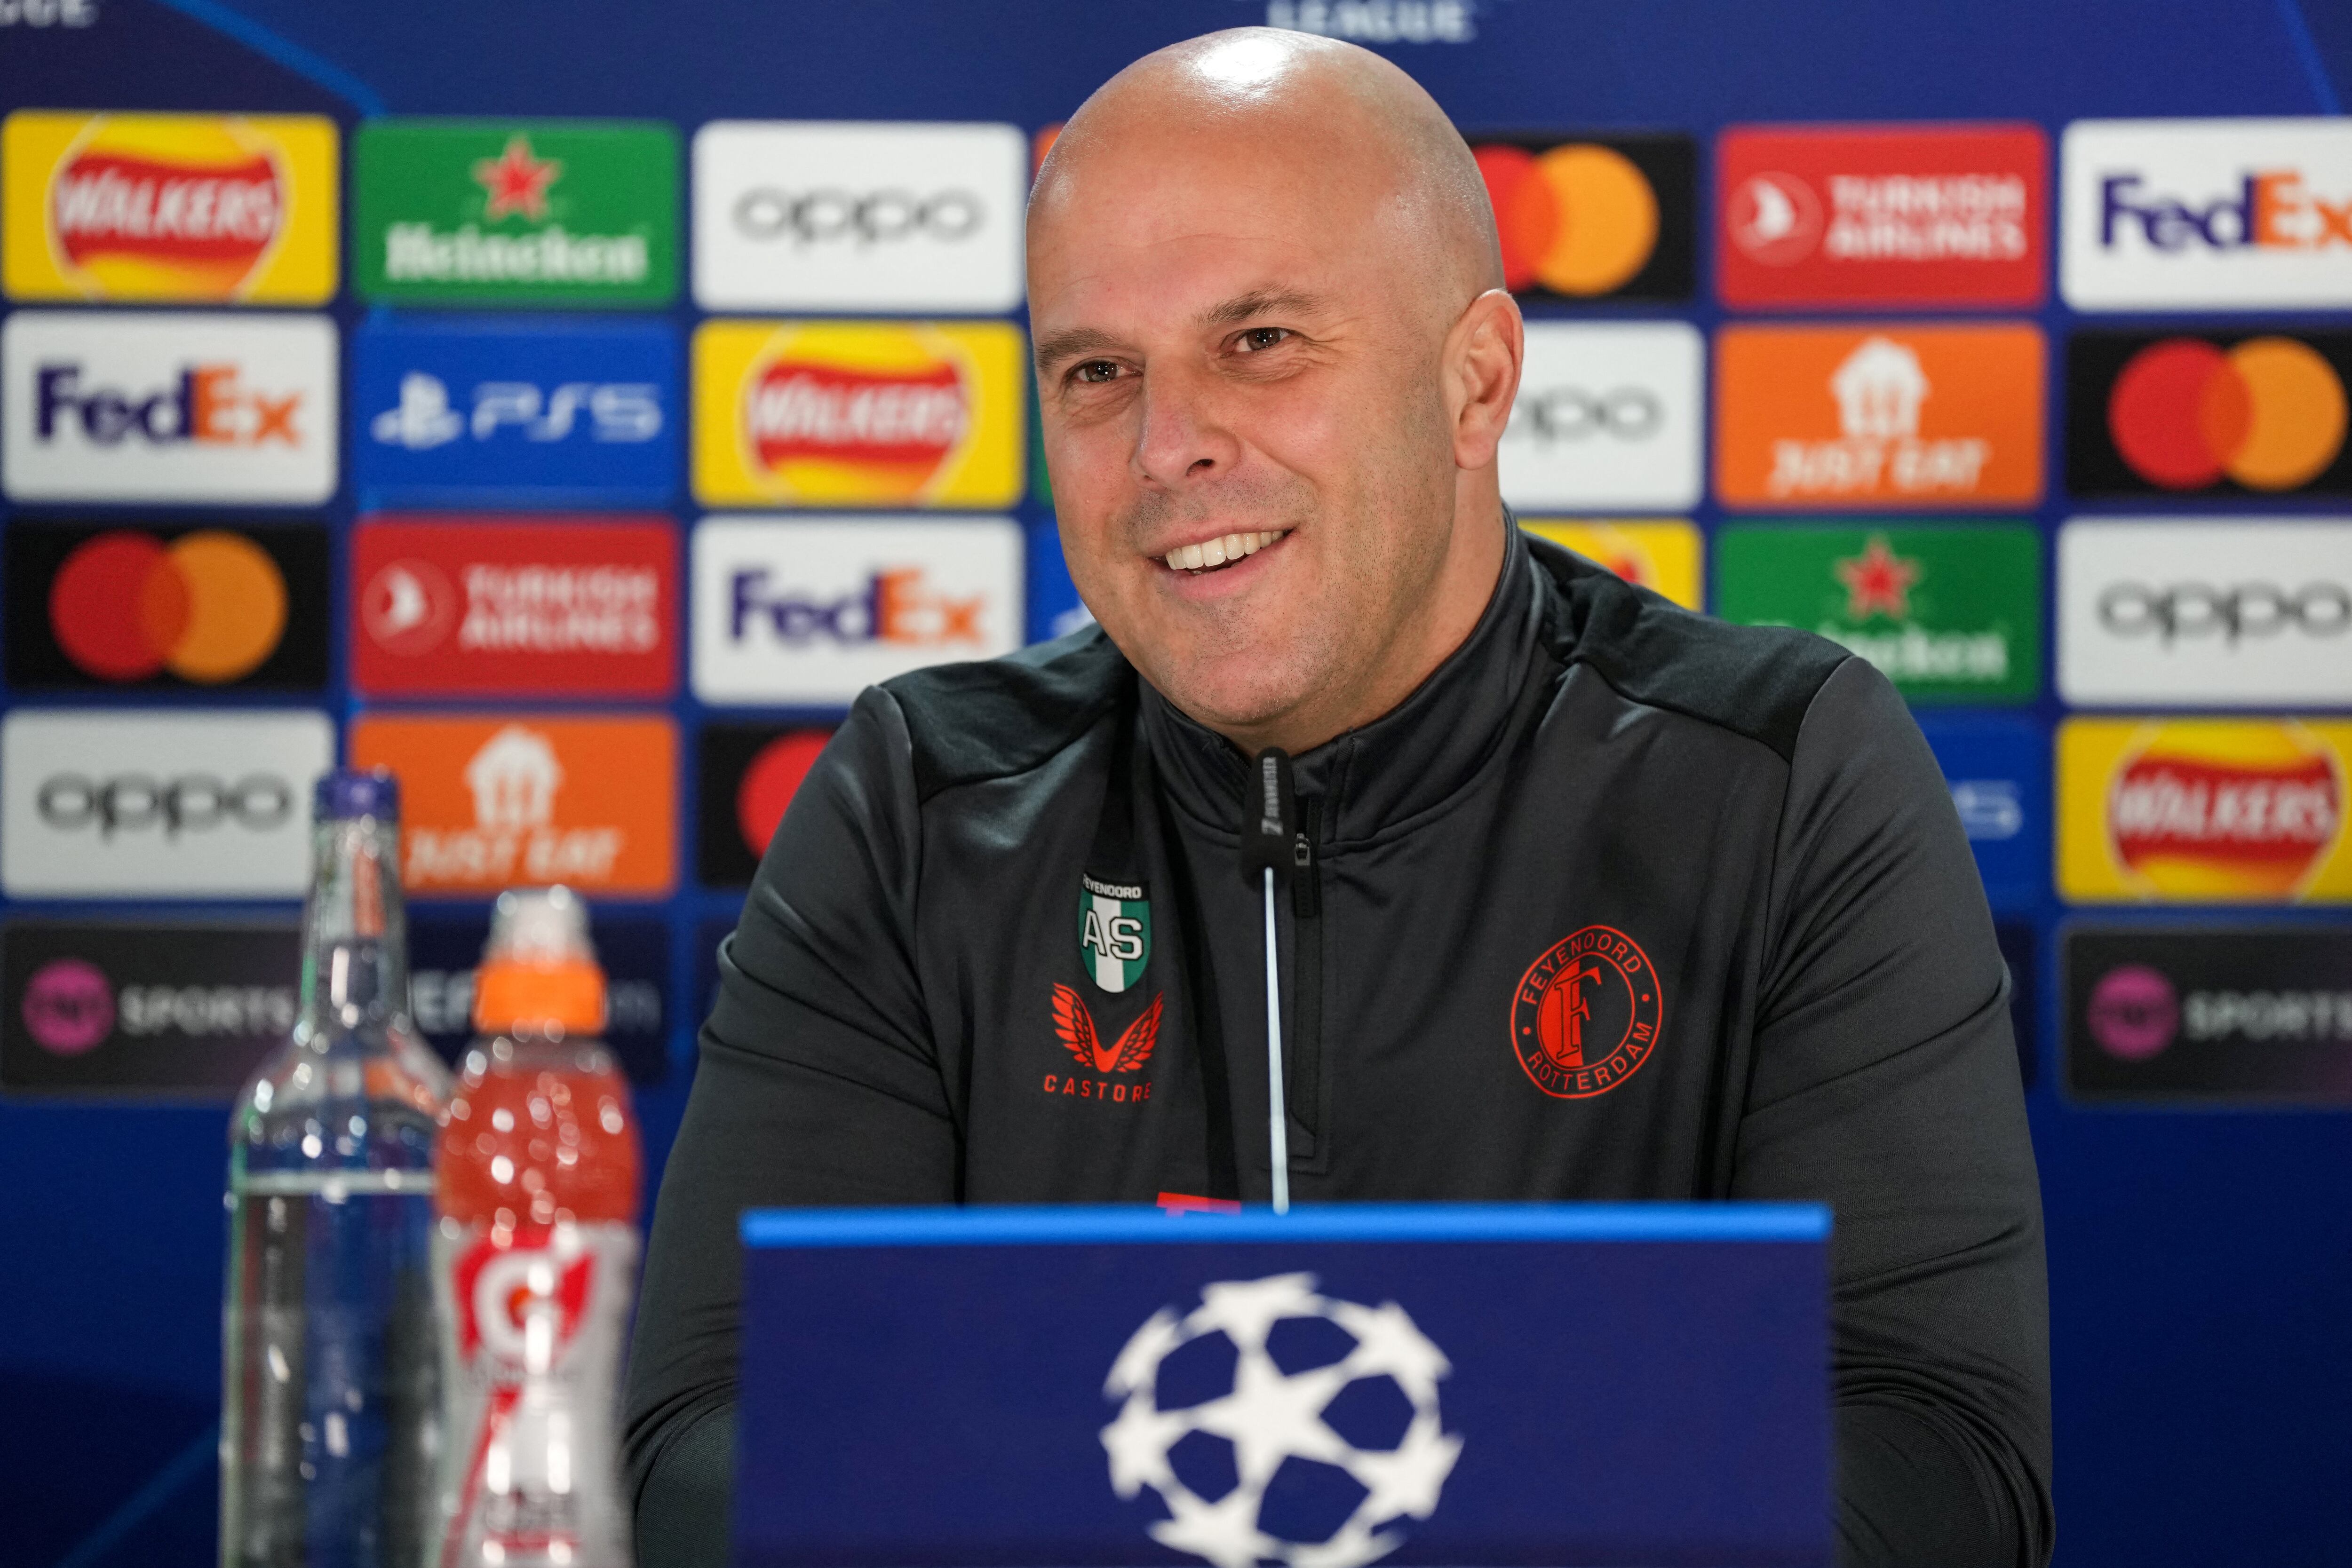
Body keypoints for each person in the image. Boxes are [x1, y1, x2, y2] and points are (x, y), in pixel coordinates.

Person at [626, 28, 2053, 1568]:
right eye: (1099, 373)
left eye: (1262, 343)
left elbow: (1942, 1464)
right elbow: (707, 1453)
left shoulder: (1782, 777)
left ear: (1476, 381)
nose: (1170, 446)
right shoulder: (919, 806)